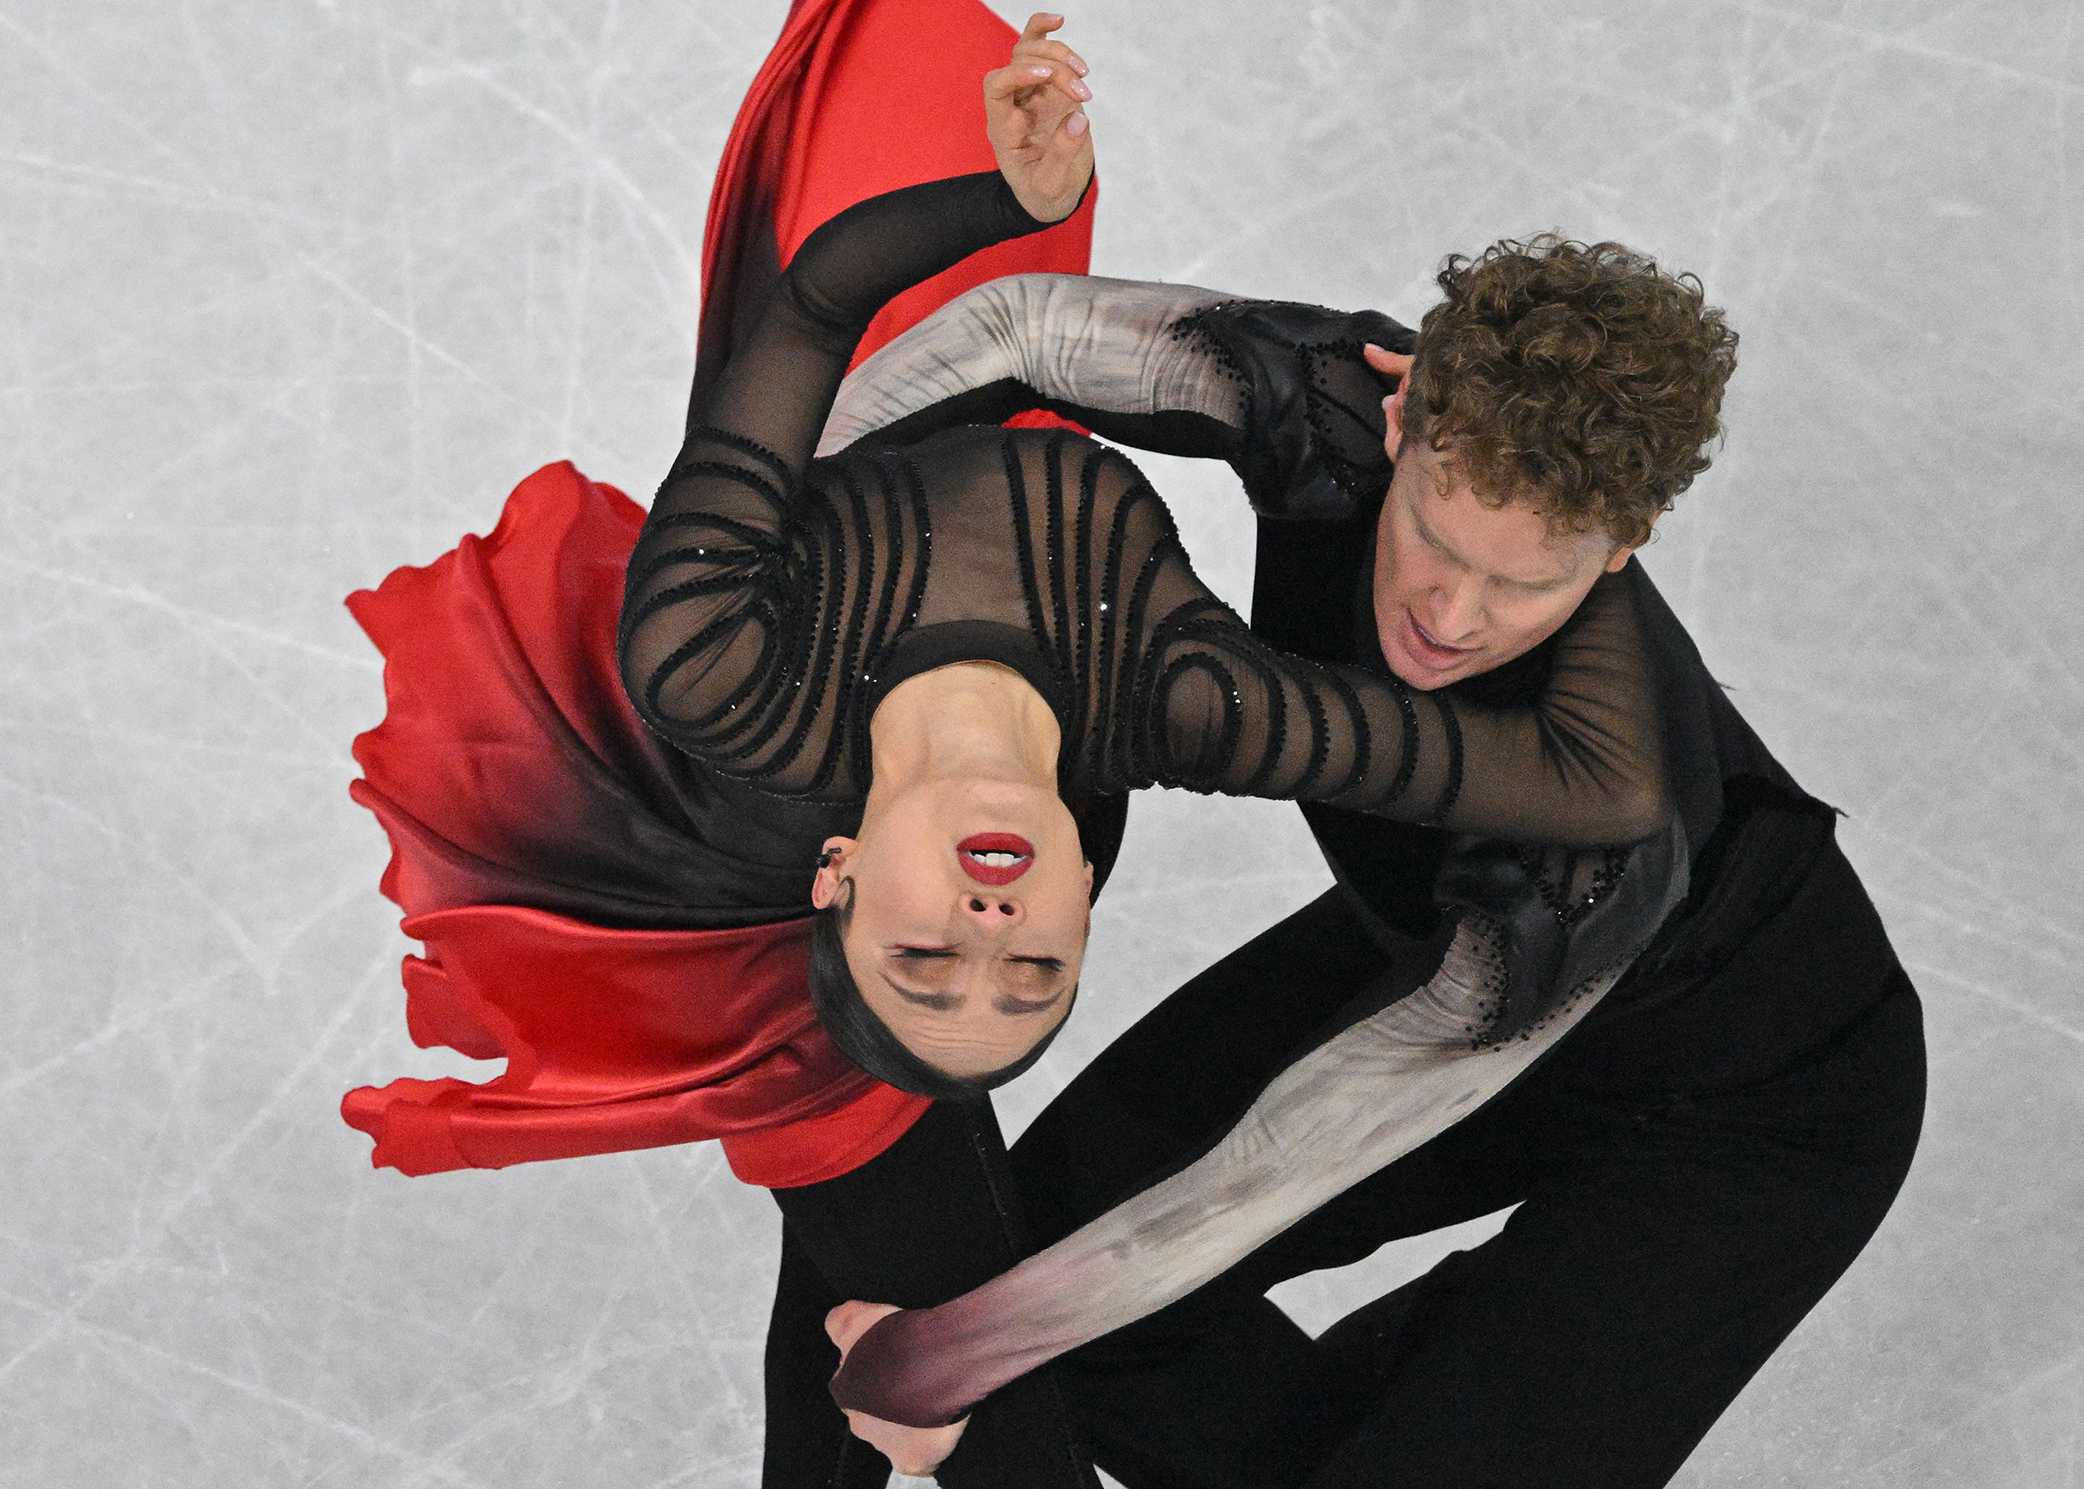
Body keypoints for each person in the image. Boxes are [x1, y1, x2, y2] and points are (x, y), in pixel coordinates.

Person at [340, 5, 1673, 1484]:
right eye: (1031, 964)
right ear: (1077, 904)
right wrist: (1562, 510)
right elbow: (1601, 785)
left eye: (935, 956)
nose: (988, 927)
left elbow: (809, 308)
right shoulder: (1184, 704)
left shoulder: (714, 658)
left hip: (874, 325)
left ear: (841, 876)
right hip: (1020, 399)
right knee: (924, 1284)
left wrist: (1002, 204)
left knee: (862, 1171)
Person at [809, 134, 1928, 1489]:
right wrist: (747, 542)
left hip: (1754, 1096)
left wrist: (940, 1361)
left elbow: (1273, 1165)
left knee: (1073, 1313)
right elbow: (1021, 331)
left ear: (1623, 545)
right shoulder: (1324, 401)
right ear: (1399, 417)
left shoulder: (1599, 817)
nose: (1450, 616)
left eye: (1525, 586)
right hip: (1441, 936)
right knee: (1050, 1246)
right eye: (1437, 538)